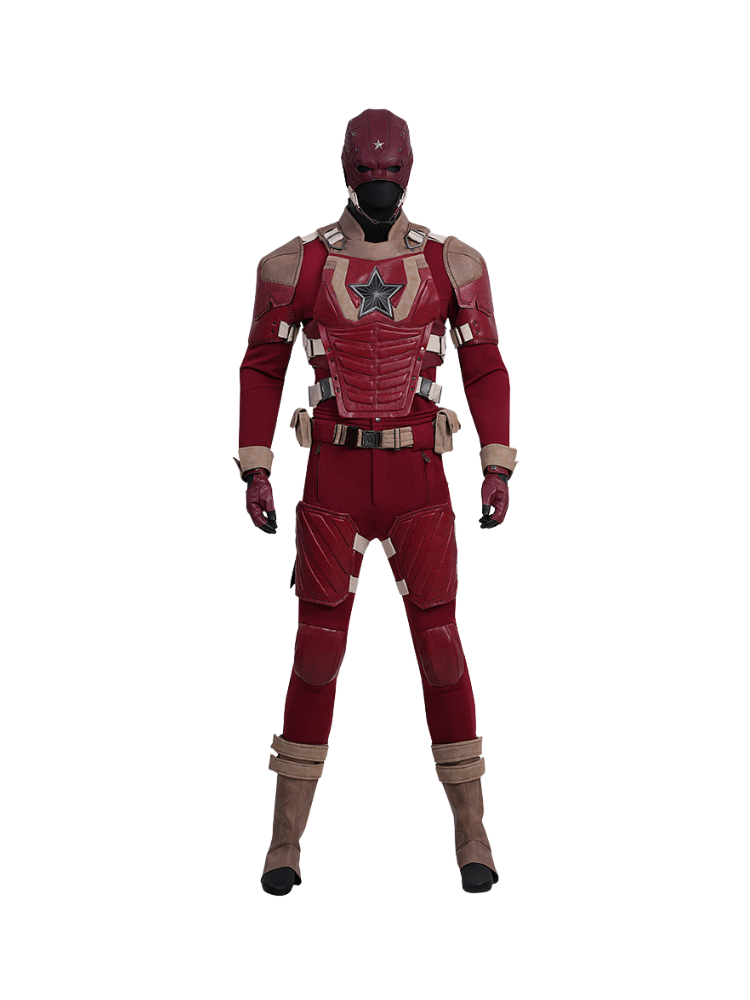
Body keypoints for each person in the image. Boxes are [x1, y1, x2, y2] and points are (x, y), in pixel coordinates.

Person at [238, 109, 517, 895]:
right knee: (316, 653)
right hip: (332, 477)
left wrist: (497, 461)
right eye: (369, 173)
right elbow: (262, 365)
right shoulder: (295, 266)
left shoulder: (452, 263)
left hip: (418, 478)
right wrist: (255, 464)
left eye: (390, 174)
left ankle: (472, 829)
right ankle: (284, 840)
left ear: (410, 171)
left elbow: (485, 366)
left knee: (441, 649)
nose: (381, 187)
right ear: (347, 170)